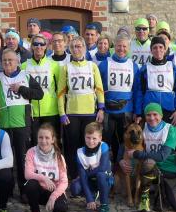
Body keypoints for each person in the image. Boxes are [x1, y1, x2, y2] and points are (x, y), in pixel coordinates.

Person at [0, 49, 44, 196]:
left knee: (22, 160)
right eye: (4, 60)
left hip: (22, 124)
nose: (7, 63)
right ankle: (6, 191)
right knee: (5, 160)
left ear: (17, 61)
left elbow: (39, 94)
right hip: (3, 125)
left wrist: (21, 89)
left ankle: (24, 191)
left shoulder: (25, 76)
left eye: (10, 60)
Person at [57, 36, 105, 183]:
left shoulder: (92, 66)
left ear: (84, 48)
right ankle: (74, 175)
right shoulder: (66, 68)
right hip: (72, 114)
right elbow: (60, 93)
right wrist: (62, 113)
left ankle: (90, 175)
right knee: (72, 146)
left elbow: (99, 89)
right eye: (73, 47)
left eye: (79, 46)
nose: (76, 49)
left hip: (90, 113)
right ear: (70, 49)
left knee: (89, 145)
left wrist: (101, 109)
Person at [124, 103, 176, 212]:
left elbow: (162, 156)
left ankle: (160, 188)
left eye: (155, 114)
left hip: (168, 170)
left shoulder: (171, 129)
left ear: (161, 115)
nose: (152, 118)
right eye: (148, 115)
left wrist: (137, 154)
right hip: (150, 168)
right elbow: (127, 142)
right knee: (149, 163)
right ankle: (145, 196)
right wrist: (121, 160)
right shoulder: (142, 127)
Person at [98, 33, 139, 164]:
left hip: (126, 110)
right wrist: (100, 108)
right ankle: (106, 167)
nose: (121, 49)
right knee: (106, 140)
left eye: (124, 46)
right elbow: (98, 88)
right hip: (108, 110)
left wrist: (137, 111)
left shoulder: (134, 66)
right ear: (114, 46)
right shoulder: (104, 64)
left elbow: (137, 91)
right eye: (119, 46)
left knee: (124, 141)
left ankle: (121, 167)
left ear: (129, 48)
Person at [23, 124, 69, 212]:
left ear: (53, 140)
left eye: (47, 138)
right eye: (40, 137)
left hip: (53, 191)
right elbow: (27, 174)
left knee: (62, 207)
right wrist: (44, 178)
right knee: (30, 184)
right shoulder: (31, 152)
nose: (43, 141)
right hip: (38, 191)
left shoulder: (59, 157)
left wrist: (53, 196)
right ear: (37, 138)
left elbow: (64, 181)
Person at [22, 34, 61, 143]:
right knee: (35, 143)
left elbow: (60, 88)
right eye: (35, 44)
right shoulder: (24, 66)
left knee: (52, 143)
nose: (39, 46)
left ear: (46, 46)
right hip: (32, 112)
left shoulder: (54, 65)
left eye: (42, 44)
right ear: (32, 46)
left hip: (51, 111)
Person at [135, 35, 176, 128]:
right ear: (151, 50)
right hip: (150, 110)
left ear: (165, 49)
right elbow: (139, 92)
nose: (158, 50)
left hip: (168, 109)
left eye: (161, 47)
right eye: (155, 47)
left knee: (167, 133)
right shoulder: (145, 68)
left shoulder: (172, 67)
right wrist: (138, 113)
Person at [74, 122, 113, 212]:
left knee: (100, 174)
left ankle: (104, 206)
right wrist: (89, 199)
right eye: (88, 137)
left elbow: (102, 168)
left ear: (100, 138)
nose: (91, 141)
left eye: (94, 138)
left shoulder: (104, 147)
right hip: (91, 180)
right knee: (75, 187)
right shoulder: (79, 152)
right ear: (84, 137)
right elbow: (82, 177)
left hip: (105, 180)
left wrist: (86, 174)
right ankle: (92, 194)